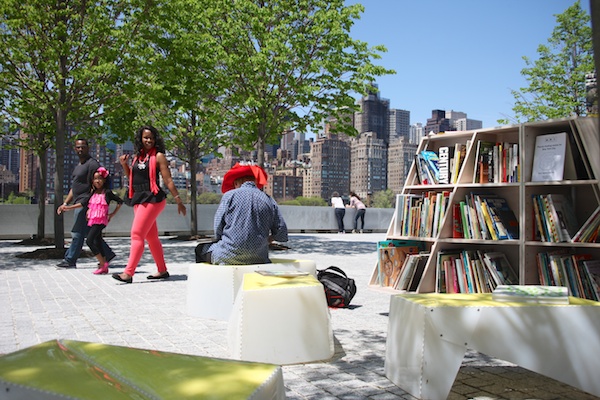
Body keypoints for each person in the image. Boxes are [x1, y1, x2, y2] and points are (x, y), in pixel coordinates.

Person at [112, 125, 187, 284]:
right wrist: (124, 164)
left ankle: (128, 273)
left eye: (151, 138)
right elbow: (132, 176)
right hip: (138, 197)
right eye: (146, 137)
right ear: (140, 139)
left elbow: (168, 180)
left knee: (137, 233)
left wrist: (178, 200)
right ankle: (162, 270)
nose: (149, 140)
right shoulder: (136, 157)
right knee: (151, 237)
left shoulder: (158, 156)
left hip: (153, 198)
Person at [195, 163, 288, 265]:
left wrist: (221, 238)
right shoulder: (268, 199)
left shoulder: (229, 196)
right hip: (259, 258)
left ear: (237, 182)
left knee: (200, 249)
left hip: (227, 255)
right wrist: (267, 240)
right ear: (255, 181)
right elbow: (281, 232)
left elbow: (218, 227)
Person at [57, 138, 116, 268]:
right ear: (74, 148)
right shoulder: (79, 166)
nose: (80, 149)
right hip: (79, 201)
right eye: (78, 147)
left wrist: (93, 203)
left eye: (83, 147)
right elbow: (75, 187)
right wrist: (66, 203)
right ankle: (108, 254)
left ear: (88, 148)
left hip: (85, 204)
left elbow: (101, 182)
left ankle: (70, 260)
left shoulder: (92, 164)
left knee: (77, 232)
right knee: (91, 233)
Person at [57, 167, 123, 274]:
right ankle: (104, 264)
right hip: (93, 220)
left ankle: (103, 263)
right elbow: (83, 203)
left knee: (89, 240)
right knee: (98, 241)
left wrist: (112, 214)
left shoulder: (107, 193)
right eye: (95, 179)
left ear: (104, 180)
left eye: (100, 178)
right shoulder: (92, 193)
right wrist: (68, 207)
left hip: (101, 220)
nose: (97, 181)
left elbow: (120, 201)